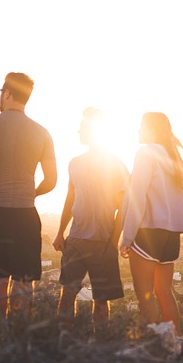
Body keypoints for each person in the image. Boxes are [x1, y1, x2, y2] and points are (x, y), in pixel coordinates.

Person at [0, 72, 57, 317]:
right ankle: (20, 332)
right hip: (24, 212)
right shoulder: (42, 133)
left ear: (7, 93)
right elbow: (52, 180)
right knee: (24, 279)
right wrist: (30, 193)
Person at [52, 108, 129, 326]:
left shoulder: (115, 164)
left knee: (101, 300)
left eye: (82, 127)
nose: (78, 131)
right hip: (75, 240)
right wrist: (60, 233)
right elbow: (70, 200)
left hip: (103, 242)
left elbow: (125, 206)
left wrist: (114, 240)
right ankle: (64, 345)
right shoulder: (74, 163)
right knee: (66, 295)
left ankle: (101, 348)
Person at [119, 112, 183, 333]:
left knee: (145, 296)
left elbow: (137, 196)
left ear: (150, 129)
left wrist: (126, 236)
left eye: (141, 126)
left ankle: (151, 347)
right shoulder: (173, 157)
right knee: (165, 293)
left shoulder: (145, 153)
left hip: (147, 232)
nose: (138, 130)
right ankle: (175, 345)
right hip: (171, 235)